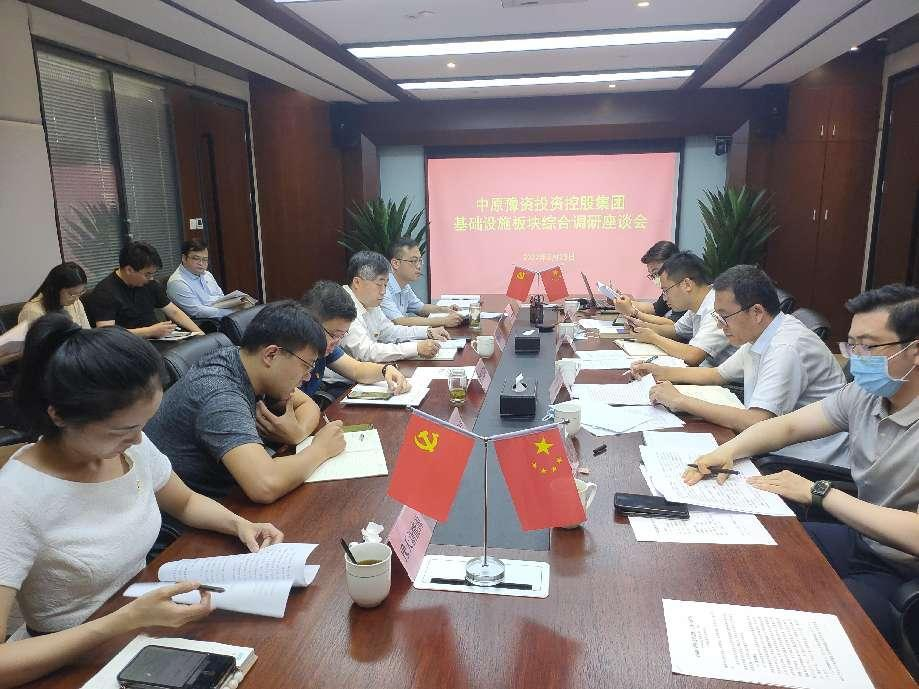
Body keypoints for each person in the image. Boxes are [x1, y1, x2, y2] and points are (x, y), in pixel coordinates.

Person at [0, 314, 282, 686]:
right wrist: (122, 621)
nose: (137, 440)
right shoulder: (15, 499)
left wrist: (239, 524)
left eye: (142, 425)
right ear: (60, 416)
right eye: (124, 429)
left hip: (140, 629)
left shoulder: (126, 446)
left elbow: (184, 502)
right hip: (69, 660)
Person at [688, 284, 919, 647]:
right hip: (861, 538)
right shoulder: (865, 393)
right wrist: (727, 451)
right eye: (852, 345)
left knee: (817, 626)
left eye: (869, 347)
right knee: (756, 549)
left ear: (914, 350)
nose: (857, 359)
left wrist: (820, 493)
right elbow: (789, 426)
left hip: (902, 569)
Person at [146, 301, 346, 520]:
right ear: (271, 355)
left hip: (228, 495)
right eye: (306, 366)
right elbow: (265, 484)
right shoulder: (220, 392)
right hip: (190, 518)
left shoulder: (248, 362)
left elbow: (308, 405)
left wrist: (296, 432)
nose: (307, 377)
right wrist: (320, 449)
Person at [632, 265, 849, 465]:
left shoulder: (785, 347)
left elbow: (757, 422)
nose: (720, 325)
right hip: (769, 444)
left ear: (756, 312)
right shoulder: (763, 333)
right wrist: (659, 371)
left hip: (805, 461)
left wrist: (681, 401)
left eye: (724, 316)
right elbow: (717, 374)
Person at [331, 251, 449, 374]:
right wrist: (415, 348)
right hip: (344, 382)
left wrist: (427, 332)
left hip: (368, 373)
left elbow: (390, 331)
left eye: (386, 285)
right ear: (357, 282)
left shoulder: (370, 302)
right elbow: (367, 352)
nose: (383, 291)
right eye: (379, 284)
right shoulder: (343, 306)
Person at [301, 281, 411, 401]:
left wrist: (386, 369)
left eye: (342, 335)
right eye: (334, 335)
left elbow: (356, 370)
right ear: (312, 323)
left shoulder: (326, 347)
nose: (337, 342)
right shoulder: (293, 351)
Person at [623, 251, 735, 366]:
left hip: (726, 376)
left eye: (666, 290)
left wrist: (653, 338)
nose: (665, 298)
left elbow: (693, 356)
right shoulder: (697, 303)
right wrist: (642, 326)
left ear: (687, 284)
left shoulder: (716, 307)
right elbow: (676, 331)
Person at [85, 241, 203, 339]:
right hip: (128, 346)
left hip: (158, 340)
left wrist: (200, 335)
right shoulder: (105, 292)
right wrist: (149, 331)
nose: (151, 278)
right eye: (147, 274)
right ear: (129, 270)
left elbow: (174, 312)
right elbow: (107, 334)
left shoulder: (150, 284)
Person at [381, 238, 464, 328]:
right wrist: (444, 320)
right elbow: (399, 321)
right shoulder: (382, 287)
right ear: (395, 263)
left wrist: (446, 310)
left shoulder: (405, 285)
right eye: (413, 261)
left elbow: (421, 308)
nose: (419, 266)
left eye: (420, 260)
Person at [166, 239, 254, 320]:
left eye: (205, 259)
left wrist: (236, 305)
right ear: (184, 258)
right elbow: (197, 312)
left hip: (222, 318)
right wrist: (232, 312)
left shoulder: (207, 275)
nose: (201, 263)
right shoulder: (177, 282)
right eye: (196, 258)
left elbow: (221, 297)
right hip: (203, 324)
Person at [614, 240, 680, 318]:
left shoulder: (681, 290)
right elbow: (656, 309)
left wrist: (633, 312)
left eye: (656, 272)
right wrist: (621, 301)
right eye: (652, 275)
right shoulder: (668, 289)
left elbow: (672, 324)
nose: (655, 278)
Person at [18, 262, 90, 329]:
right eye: (71, 294)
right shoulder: (32, 312)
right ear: (55, 289)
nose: (76, 298)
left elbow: (86, 332)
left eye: (80, 293)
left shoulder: (75, 301)